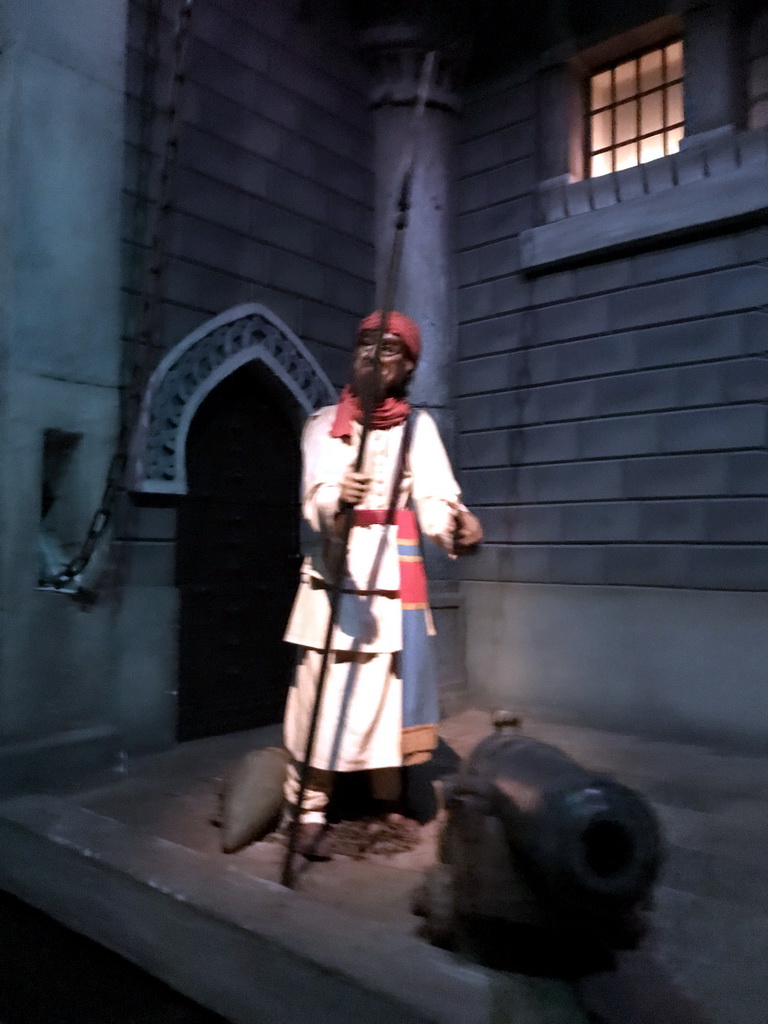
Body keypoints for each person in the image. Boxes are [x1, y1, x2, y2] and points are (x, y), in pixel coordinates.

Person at [282, 310, 482, 857]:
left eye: (390, 349)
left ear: (409, 365)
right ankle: (308, 806)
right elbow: (315, 495)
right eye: (367, 344)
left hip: (393, 581)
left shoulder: (419, 427)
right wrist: (337, 500)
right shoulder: (324, 423)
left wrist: (458, 527)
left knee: (386, 697)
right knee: (319, 695)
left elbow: (438, 498)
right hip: (335, 579)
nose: (375, 355)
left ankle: (385, 801)